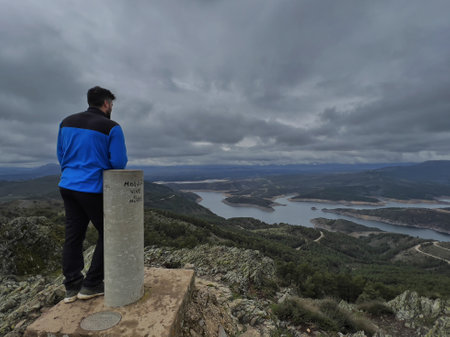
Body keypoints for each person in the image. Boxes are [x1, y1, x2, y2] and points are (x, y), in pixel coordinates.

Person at [57, 86, 127, 303]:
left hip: (68, 185)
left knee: (74, 235)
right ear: (106, 104)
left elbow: (61, 154)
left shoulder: (66, 122)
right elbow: (118, 163)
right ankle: (92, 284)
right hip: (92, 188)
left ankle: (72, 286)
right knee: (112, 232)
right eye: (112, 104)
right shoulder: (111, 127)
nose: (112, 107)